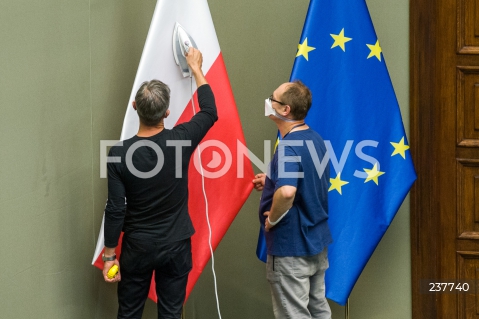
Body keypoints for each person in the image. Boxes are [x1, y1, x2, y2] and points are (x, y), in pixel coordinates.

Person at [101, 48, 217, 319]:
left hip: (137, 248)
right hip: (176, 246)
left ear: (134, 108)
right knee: (171, 314)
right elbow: (210, 111)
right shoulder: (180, 140)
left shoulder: (119, 154)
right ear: (167, 112)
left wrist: (109, 256)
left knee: (128, 314)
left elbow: (116, 209)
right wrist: (197, 68)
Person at [253, 81, 332, 319]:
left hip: (291, 249)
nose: (268, 102)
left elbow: (288, 192)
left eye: (272, 98)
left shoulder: (288, 146)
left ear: (285, 110)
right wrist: (271, 179)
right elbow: (305, 176)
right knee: (319, 311)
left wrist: (273, 219)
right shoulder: (314, 139)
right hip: (316, 244)